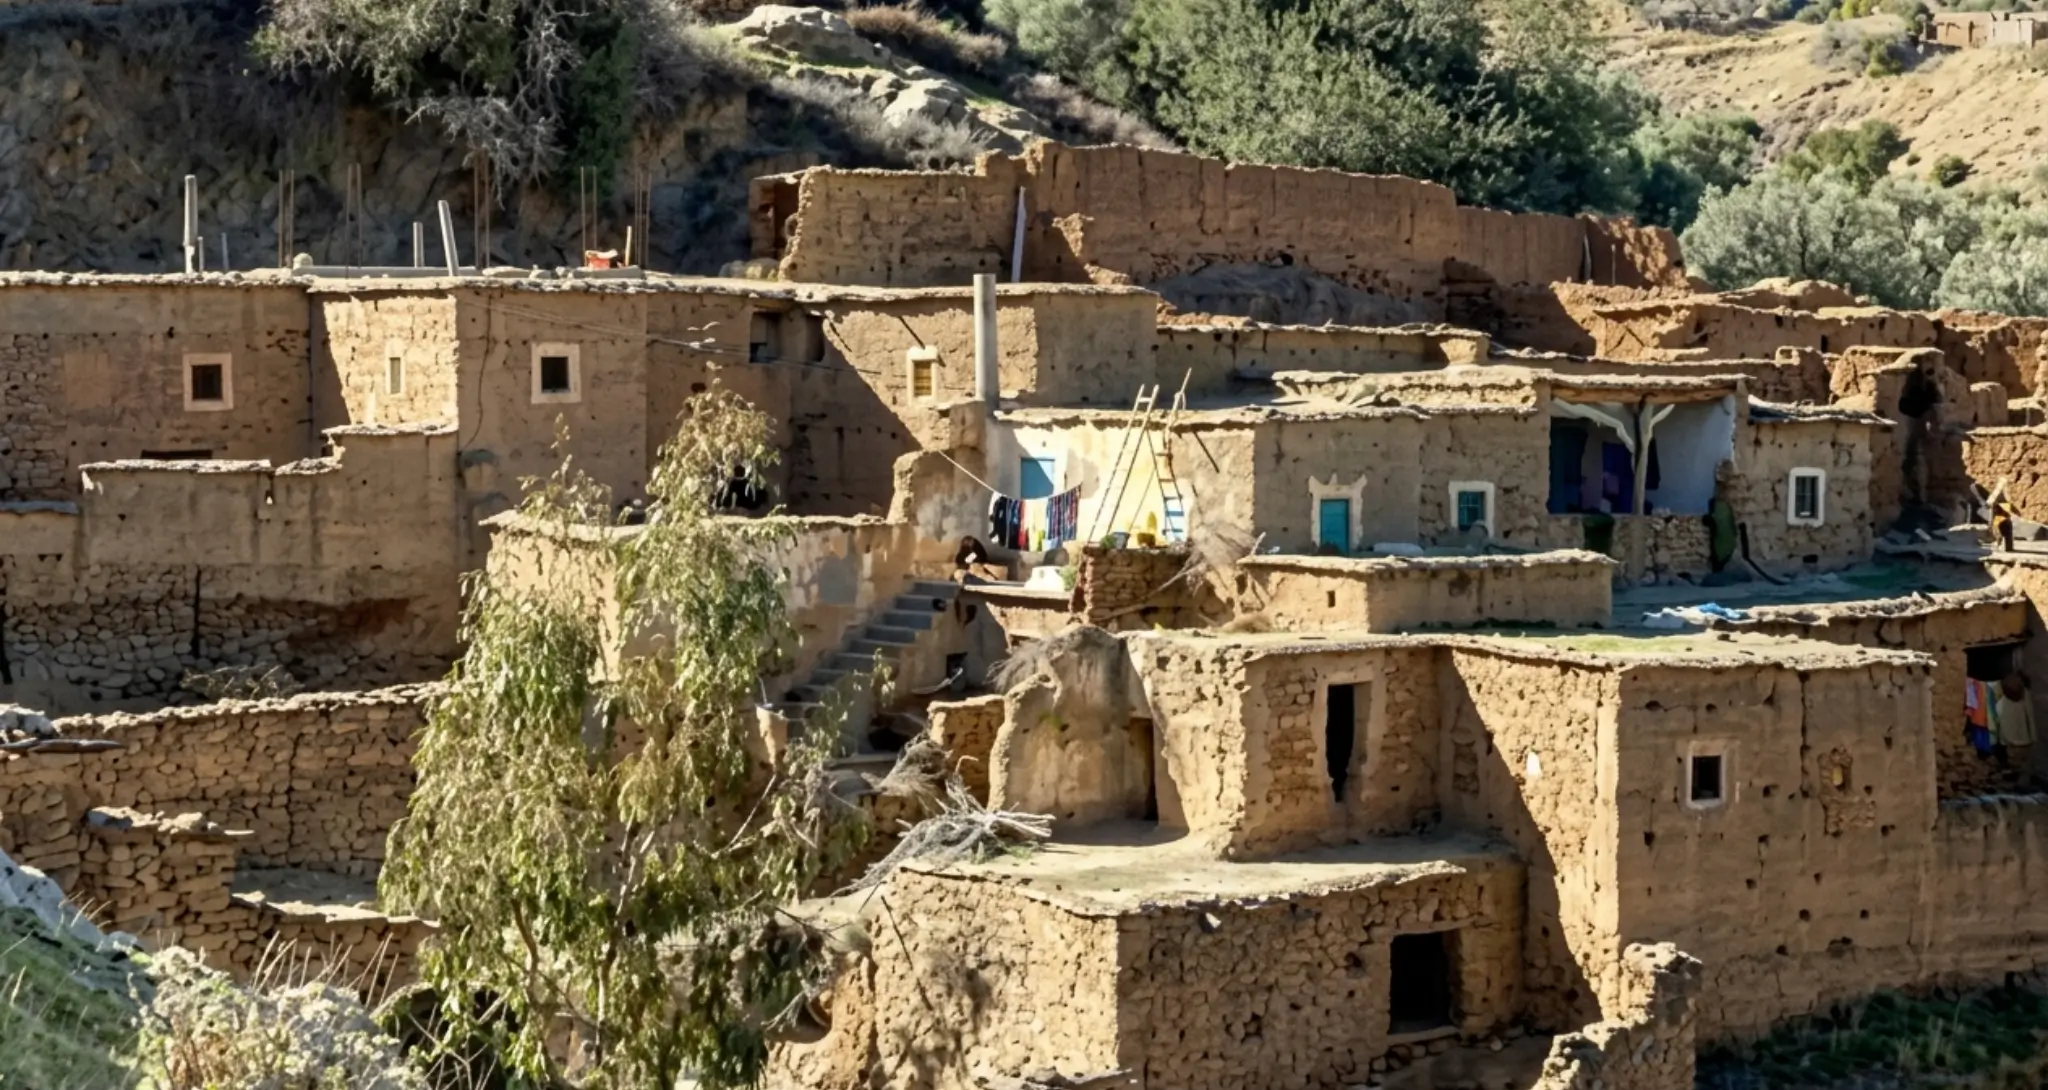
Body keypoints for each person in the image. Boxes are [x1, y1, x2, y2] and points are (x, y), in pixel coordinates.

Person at [1998, 672, 2039, 785]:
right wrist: (2034, 737)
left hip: (2011, 741)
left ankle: (2019, 782)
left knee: (2017, 764)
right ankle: (2022, 784)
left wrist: (2003, 741)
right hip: (2025, 740)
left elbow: (2001, 723)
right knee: (2025, 765)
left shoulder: (2001, 703)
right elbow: (2030, 718)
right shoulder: (2026, 698)